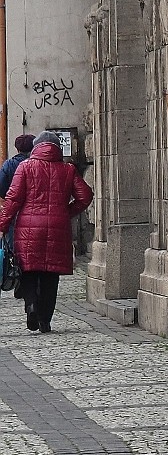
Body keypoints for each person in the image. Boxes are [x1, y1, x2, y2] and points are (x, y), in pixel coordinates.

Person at [0, 130, 93, 332]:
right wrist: (66, 212)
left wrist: (3, 225)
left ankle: (31, 305)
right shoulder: (67, 169)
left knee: (29, 269)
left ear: (37, 148)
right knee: (51, 275)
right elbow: (85, 196)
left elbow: (13, 199)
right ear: (56, 148)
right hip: (58, 227)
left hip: (27, 228)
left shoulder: (25, 167)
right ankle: (45, 320)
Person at [0, 133, 36, 248]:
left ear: (17, 148)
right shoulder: (38, 165)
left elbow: (1, 187)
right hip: (35, 210)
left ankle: (15, 264)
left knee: (13, 245)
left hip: (15, 210)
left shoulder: (9, 164)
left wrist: (8, 197)